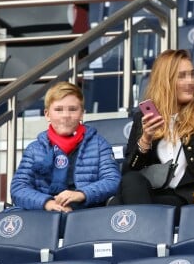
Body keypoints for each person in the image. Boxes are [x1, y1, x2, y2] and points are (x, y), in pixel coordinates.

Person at [109, 49, 194, 212]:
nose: (191, 82)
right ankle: (148, 226)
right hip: (151, 195)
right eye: (182, 76)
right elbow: (129, 173)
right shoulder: (144, 118)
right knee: (131, 181)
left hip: (185, 199)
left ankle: (142, 229)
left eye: (192, 74)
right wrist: (145, 140)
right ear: (165, 81)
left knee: (117, 204)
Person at [11, 81, 121, 212]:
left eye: (73, 109)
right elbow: (18, 188)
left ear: (82, 113)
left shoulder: (99, 144)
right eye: (58, 110)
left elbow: (113, 180)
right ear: (47, 114)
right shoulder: (34, 149)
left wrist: (81, 194)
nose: (66, 115)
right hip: (45, 215)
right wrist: (48, 203)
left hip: (86, 214)